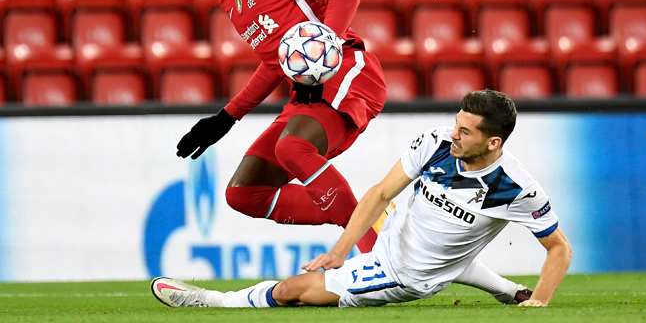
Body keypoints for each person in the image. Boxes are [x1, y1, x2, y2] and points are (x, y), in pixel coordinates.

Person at [152, 90, 573, 309]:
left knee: (293, 292)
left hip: (405, 272)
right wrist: (340, 250)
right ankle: (506, 292)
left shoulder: (516, 188)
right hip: (413, 239)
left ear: (494, 141)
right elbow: (380, 193)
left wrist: (542, 300)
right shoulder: (436, 144)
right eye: (456, 124)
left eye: (466, 131)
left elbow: (559, 248)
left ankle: (214, 302)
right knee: (448, 252)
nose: (454, 134)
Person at [177, 0, 389, 252]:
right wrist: (227, 117)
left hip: (347, 69)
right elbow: (277, 63)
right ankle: (367, 215)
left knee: (293, 147)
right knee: (245, 193)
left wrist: (322, 54)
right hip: (306, 87)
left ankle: (376, 255)